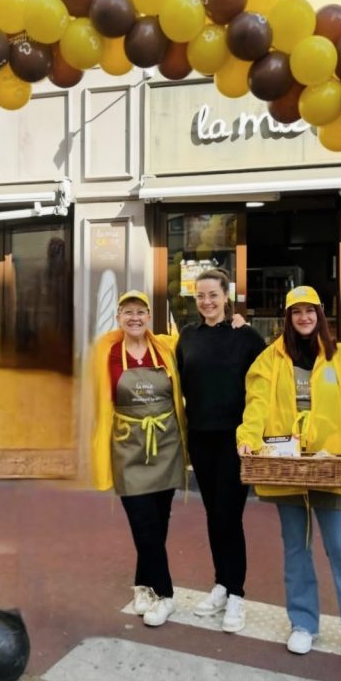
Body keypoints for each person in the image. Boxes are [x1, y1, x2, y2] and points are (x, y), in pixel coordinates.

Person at [237, 286, 341, 673]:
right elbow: (256, 405)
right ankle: (303, 623)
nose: (304, 318)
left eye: (310, 311)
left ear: (321, 315)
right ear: (287, 318)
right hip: (287, 468)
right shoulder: (269, 360)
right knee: (296, 549)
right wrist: (248, 439)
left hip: (333, 465)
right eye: (296, 312)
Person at [176, 269, 265, 633]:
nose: (207, 302)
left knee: (230, 515)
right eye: (200, 296)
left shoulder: (245, 336)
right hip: (200, 436)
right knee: (214, 515)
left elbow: (269, 377)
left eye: (213, 295)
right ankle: (221, 584)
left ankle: (237, 595)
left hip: (234, 439)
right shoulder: (186, 337)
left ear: (226, 297)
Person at [91, 290, 187, 628]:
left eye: (141, 312)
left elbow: (199, 358)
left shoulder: (168, 347)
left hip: (165, 443)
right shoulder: (106, 351)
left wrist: (234, 324)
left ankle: (144, 587)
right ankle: (166, 594)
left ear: (149, 317)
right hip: (128, 445)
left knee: (159, 522)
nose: (135, 318)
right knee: (142, 521)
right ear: (118, 317)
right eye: (127, 312)